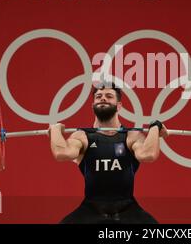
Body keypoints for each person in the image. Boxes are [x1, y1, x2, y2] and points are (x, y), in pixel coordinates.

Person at [48, 82, 168, 224]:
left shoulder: (131, 136)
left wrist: (155, 127)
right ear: (93, 105)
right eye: (98, 96)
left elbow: (148, 155)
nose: (103, 98)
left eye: (109, 96)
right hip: (90, 210)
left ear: (119, 106)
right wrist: (55, 130)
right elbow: (62, 153)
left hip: (128, 210)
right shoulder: (82, 136)